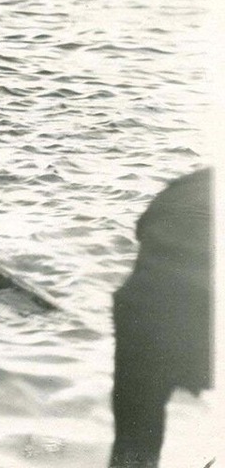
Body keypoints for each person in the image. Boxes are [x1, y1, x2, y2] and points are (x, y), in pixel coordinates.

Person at [109, 167, 213, 468]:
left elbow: (143, 228)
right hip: (191, 305)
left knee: (132, 454)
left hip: (139, 308)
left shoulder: (187, 186)